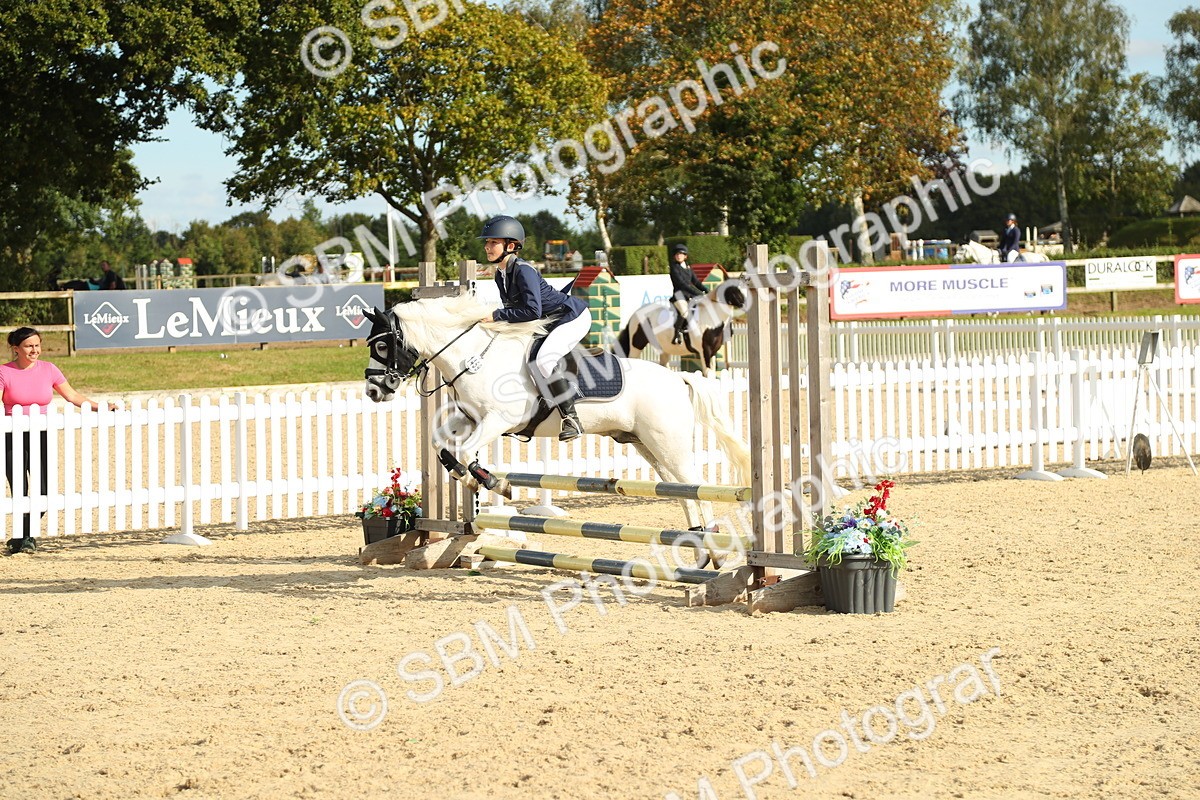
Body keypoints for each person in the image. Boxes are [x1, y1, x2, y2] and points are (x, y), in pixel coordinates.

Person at [1, 327, 118, 554]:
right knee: (20, 489)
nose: (34, 350)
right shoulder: (4, 372)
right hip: (12, 436)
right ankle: (26, 538)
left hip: (42, 434)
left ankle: (23, 534)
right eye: (28, 346)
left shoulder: (49, 369)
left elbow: (72, 396)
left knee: (45, 490)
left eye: (37, 345)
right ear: (16, 349)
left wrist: (100, 407)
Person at [477, 216, 590, 441]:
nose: (487, 247)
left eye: (493, 242)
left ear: (510, 246)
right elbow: (514, 310)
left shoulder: (523, 270)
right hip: (547, 319)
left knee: (543, 360)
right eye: (487, 242)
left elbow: (531, 311)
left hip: (571, 316)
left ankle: (571, 419)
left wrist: (496, 316)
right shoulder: (500, 274)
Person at [668, 244, 706, 343]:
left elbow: (696, 282)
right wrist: (698, 293)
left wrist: (707, 291)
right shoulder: (674, 268)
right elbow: (683, 284)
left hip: (689, 296)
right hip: (679, 296)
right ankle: (676, 335)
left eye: (681, 254)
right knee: (684, 313)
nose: (678, 256)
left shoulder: (689, 268)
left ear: (685, 256)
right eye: (677, 254)